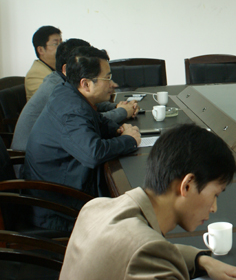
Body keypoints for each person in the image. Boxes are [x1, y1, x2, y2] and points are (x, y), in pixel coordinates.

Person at [59, 124, 236, 280]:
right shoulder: (146, 255)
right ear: (187, 185)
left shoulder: (95, 207)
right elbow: (145, 252)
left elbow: (143, 249)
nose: (214, 208)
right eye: (215, 194)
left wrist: (204, 260)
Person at [22, 46, 141, 231]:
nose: (113, 84)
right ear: (86, 84)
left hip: (66, 189)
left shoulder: (67, 92)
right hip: (58, 208)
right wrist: (129, 140)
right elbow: (93, 153)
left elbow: (97, 121)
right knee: (132, 212)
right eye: (107, 78)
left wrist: (117, 130)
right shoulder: (71, 110)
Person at [12, 39, 139, 153]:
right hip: (31, 160)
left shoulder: (68, 88)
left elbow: (93, 117)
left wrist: (116, 126)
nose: (112, 84)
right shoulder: (62, 96)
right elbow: (92, 149)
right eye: (107, 78)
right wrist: (127, 132)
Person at [25, 25, 62, 100]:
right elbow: (55, 100)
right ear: (41, 50)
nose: (61, 47)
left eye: (61, 42)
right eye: (55, 44)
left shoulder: (60, 67)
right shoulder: (35, 75)